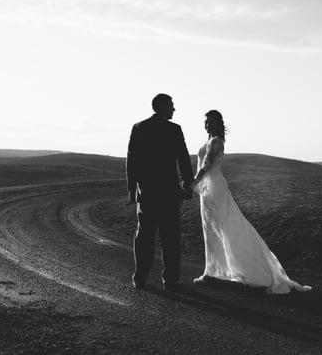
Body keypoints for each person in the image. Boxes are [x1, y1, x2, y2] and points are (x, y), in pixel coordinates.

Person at [191, 110, 311, 294]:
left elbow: (206, 165)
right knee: (212, 228)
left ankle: (225, 270)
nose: (208, 125)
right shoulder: (212, 140)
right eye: (206, 122)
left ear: (218, 123)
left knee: (221, 227)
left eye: (211, 122)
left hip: (213, 188)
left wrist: (192, 183)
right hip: (208, 188)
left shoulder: (215, 142)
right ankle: (213, 270)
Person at [126, 94, 194, 289]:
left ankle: (140, 278)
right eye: (171, 105)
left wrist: (132, 188)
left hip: (146, 193)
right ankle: (170, 280)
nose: (174, 109)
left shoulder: (139, 128)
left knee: (144, 236)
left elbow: (132, 160)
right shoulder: (174, 130)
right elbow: (183, 159)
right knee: (170, 237)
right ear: (162, 106)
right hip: (169, 193)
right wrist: (187, 185)